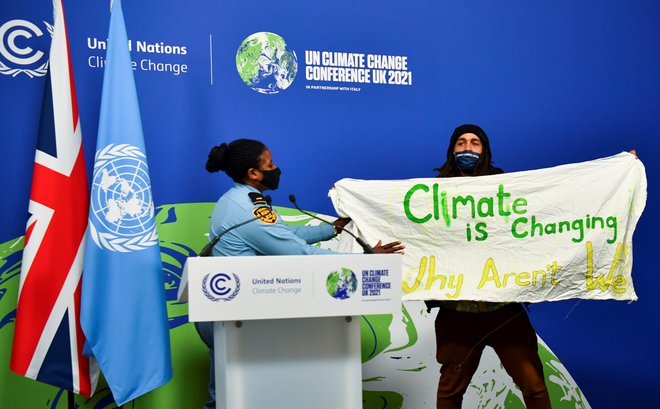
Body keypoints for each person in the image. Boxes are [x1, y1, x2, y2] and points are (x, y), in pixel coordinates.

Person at [196, 138, 404, 409]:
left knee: (226, 395)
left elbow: (283, 234)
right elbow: (299, 254)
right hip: (234, 317)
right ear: (254, 173)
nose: (276, 168)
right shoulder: (248, 208)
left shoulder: (239, 198)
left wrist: (332, 229)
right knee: (238, 396)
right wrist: (366, 261)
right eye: (270, 164)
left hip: (224, 311)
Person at [430, 124, 551, 409]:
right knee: (449, 391)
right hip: (456, 312)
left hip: (502, 311)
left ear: (484, 150)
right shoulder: (432, 195)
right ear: (452, 150)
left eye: (475, 143)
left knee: (534, 386)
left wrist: (618, 171)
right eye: (461, 143)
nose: (467, 148)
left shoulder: (506, 191)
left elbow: (551, 203)